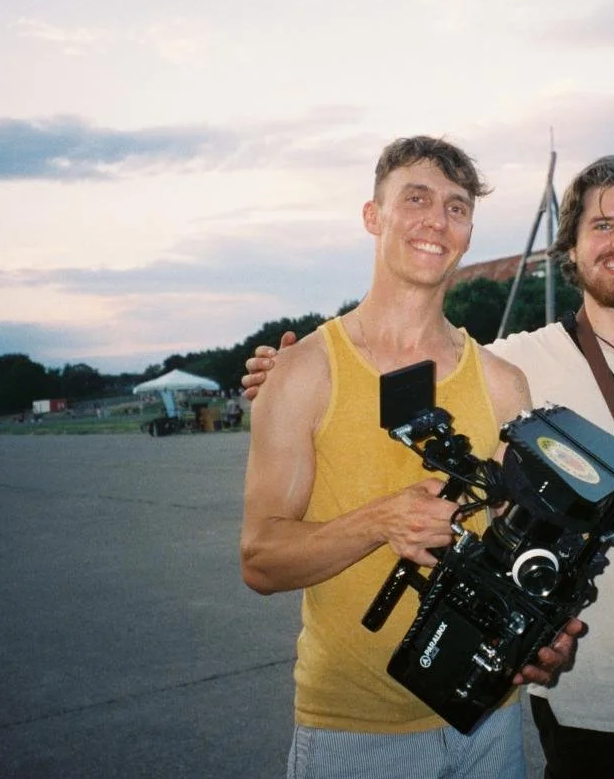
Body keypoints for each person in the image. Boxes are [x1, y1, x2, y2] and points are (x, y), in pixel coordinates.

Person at [245, 155, 614, 779]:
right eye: (602, 225)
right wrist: (285, 369)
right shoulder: (519, 363)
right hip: (594, 704)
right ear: (573, 247)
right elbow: (397, 364)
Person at [240, 136, 580, 779]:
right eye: (415, 199)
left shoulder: (503, 383)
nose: (436, 221)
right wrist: (379, 522)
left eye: (456, 207)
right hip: (355, 729)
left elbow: (516, 546)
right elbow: (260, 559)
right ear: (374, 216)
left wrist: (542, 635)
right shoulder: (306, 370)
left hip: (487, 715)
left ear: (469, 232)